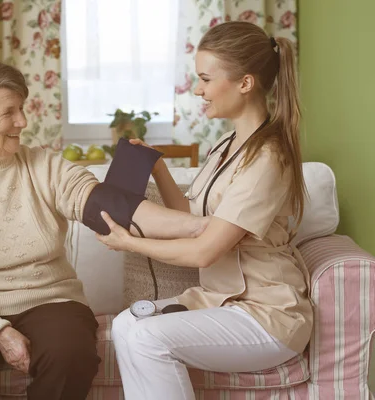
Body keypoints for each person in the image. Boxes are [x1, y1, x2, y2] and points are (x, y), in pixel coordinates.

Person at [0, 59, 209, 400]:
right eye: (9, 112)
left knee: (71, 353)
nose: (22, 121)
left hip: (50, 301)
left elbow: (107, 208)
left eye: (22, 109)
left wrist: (200, 225)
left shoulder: (43, 165)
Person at [96, 21, 313, 399]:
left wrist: (129, 243)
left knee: (147, 337)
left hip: (267, 315)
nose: (198, 90)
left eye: (206, 80)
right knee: (125, 324)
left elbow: (206, 249)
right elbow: (191, 216)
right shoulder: (227, 146)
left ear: (245, 83)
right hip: (222, 302)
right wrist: (158, 166)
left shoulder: (268, 157)